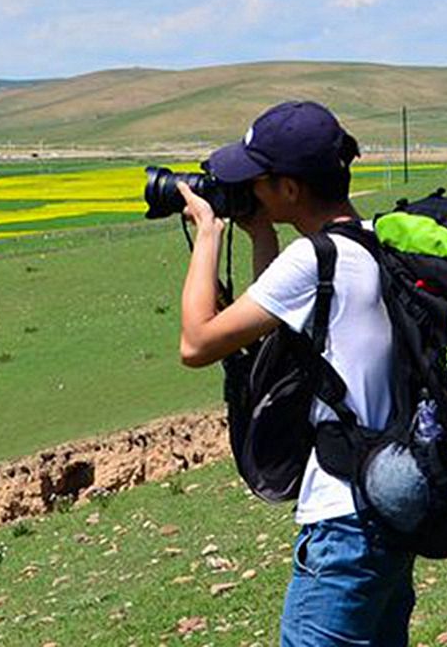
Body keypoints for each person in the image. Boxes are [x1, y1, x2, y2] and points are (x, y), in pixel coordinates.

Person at [177, 100, 415, 647]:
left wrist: (208, 235)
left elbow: (196, 342)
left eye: (258, 180)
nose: (251, 190)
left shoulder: (313, 261)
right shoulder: (373, 242)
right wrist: (261, 236)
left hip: (342, 522)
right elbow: (288, 327)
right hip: (387, 505)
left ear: (289, 189)